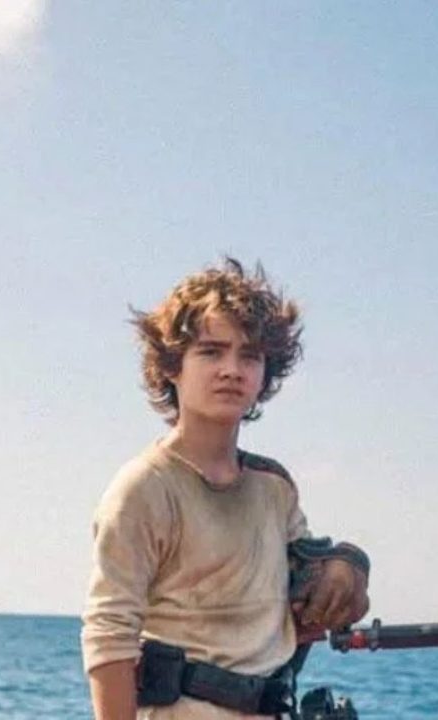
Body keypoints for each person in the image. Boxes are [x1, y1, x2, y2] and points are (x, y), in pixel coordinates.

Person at [81, 259, 370, 719]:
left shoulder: (275, 489)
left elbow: (306, 589)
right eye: (211, 352)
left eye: (249, 356)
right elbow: (109, 635)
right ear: (172, 365)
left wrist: (345, 567)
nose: (231, 369)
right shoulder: (143, 488)